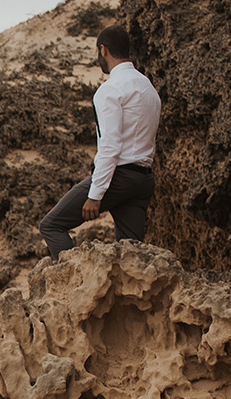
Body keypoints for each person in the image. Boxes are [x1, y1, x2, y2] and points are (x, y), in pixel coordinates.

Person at [39, 25, 162, 259]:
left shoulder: (110, 90)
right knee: (131, 253)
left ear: (103, 50)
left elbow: (110, 146)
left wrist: (95, 195)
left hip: (119, 177)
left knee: (51, 225)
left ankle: (76, 282)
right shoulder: (148, 87)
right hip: (143, 179)